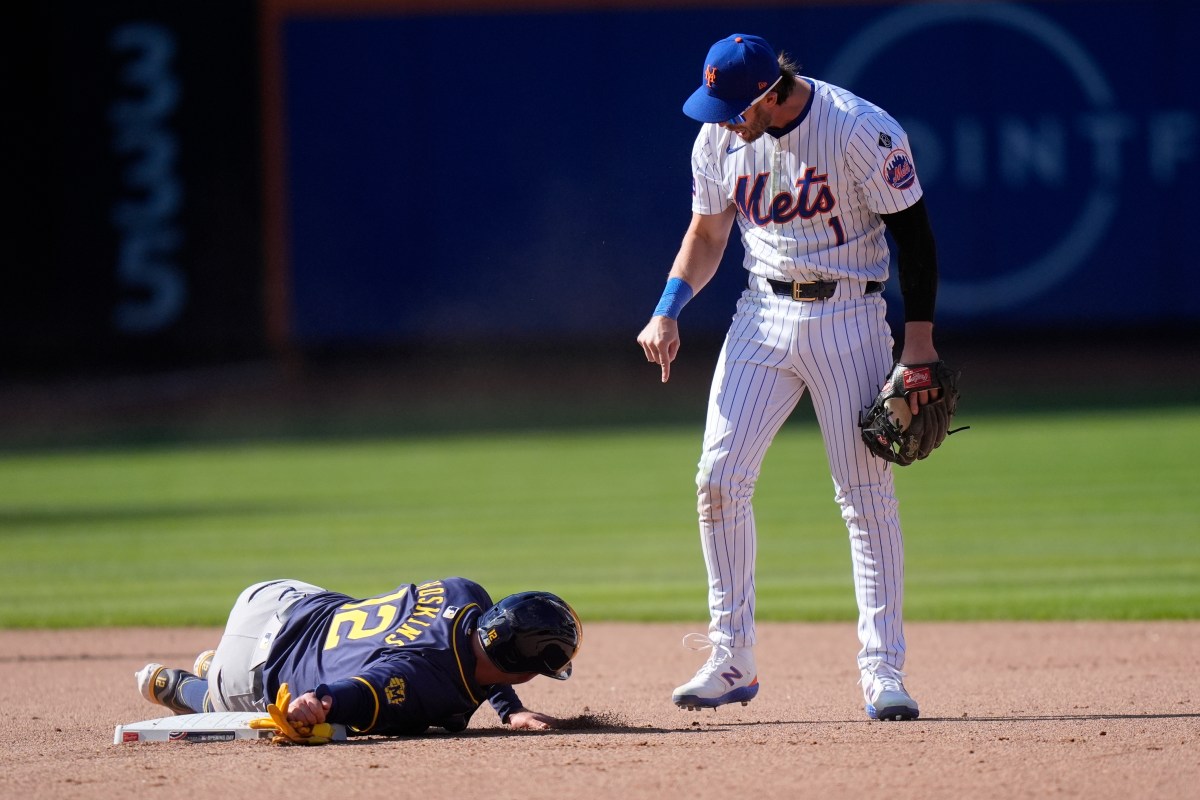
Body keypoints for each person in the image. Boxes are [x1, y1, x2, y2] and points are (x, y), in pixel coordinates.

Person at [636, 33, 944, 721]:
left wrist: (917, 345)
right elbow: (708, 233)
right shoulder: (718, 139)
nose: (719, 118)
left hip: (850, 317)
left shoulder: (858, 129)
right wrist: (667, 309)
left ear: (771, 92)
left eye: (731, 105)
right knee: (718, 478)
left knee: (864, 495)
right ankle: (731, 657)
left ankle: (883, 672)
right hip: (760, 314)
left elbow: (915, 238)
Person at [135, 577, 582, 736]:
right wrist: (319, 703)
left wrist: (510, 710)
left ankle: (214, 668)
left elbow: (480, 653)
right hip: (251, 672)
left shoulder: (466, 593)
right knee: (241, 709)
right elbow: (367, 693)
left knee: (357, 628)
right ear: (524, 673)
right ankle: (188, 687)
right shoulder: (424, 682)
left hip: (282, 597)